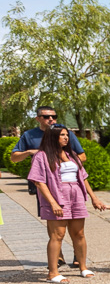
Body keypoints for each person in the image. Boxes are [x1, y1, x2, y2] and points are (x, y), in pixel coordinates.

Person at [26, 123, 107, 282]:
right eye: (62, 135)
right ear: (52, 137)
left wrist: (94, 198)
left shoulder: (72, 155)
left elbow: (83, 178)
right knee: (58, 235)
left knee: (79, 233)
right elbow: (39, 182)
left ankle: (83, 267)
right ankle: (53, 273)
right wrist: (53, 203)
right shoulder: (41, 156)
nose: (66, 138)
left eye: (66, 135)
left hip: (76, 195)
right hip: (57, 196)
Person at [12, 106, 87, 267]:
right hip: (44, 185)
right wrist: (31, 152)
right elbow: (14, 158)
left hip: (68, 185)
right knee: (53, 221)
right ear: (38, 118)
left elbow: (82, 156)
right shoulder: (29, 135)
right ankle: (58, 257)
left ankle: (77, 256)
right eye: (46, 117)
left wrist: (66, 162)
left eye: (54, 116)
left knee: (76, 225)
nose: (51, 119)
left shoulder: (65, 133)